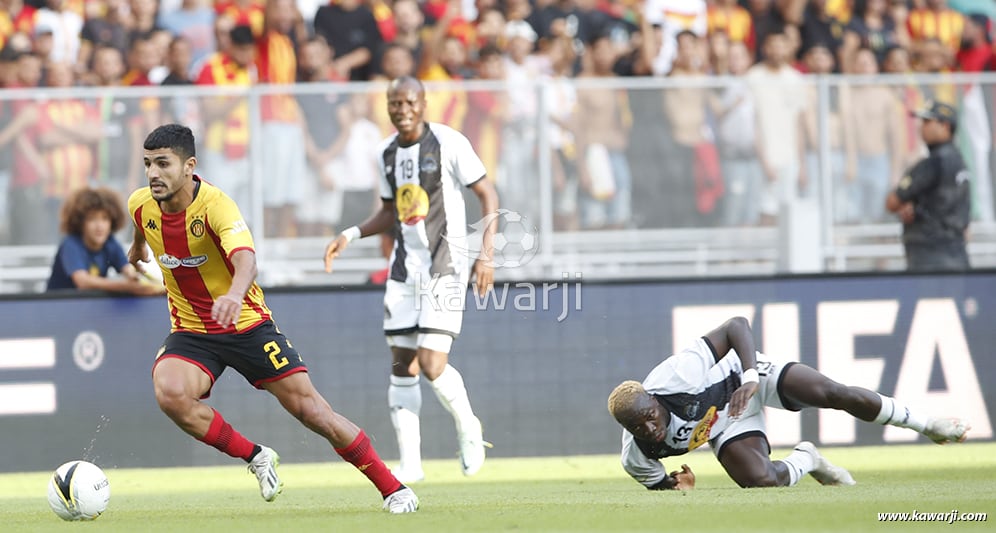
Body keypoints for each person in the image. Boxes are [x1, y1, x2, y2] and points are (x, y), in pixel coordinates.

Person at [127, 124, 418, 513]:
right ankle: (256, 456)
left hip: (245, 323)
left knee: (312, 411)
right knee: (171, 394)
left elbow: (246, 259)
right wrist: (136, 249)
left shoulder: (217, 206)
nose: (153, 173)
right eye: (147, 164)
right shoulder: (140, 203)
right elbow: (141, 226)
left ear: (189, 166)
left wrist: (233, 294)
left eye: (163, 164)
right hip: (193, 330)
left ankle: (394, 488)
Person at [323, 77, 500, 483]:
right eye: (394, 103)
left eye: (409, 102)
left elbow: (488, 194)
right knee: (403, 365)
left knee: (434, 364)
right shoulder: (386, 152)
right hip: (404, 272)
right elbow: (390, 212)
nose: (402, 109)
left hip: (446, 265)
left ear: (423, 104)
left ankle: (468, 425)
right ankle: (411, 465)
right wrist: (350, 234)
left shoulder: (449, 142)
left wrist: (486, 254)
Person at [608, 316, 971, 490]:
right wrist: (678, 488)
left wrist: (750, 377)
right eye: (637, 428)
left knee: (835, 394)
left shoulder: (677, 376)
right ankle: (808, 458)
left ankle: (927, 424)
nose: (650, 429)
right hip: (726, 421)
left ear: (654, 399)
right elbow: (662, 487)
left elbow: (736, 326)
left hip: (743, 378)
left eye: (650, 417)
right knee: (759, 480)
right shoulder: (636, 456)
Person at [885, 101, 971, 272]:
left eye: (927, 122)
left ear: (945, 126)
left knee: (931, 299)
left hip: (929, 254)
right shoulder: (960, 161)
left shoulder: (932, 164)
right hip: (957, 253)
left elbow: (892, 202)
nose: (921, 128)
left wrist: (908, 204)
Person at [46, 186, 164, 295]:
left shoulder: (111, 243)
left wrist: (142, 282)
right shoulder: (70, 244)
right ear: (80, 222)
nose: (99, 226)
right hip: (57, 309)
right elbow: (83, 282)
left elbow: (128, 271)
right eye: (92, 219)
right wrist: (128, 287)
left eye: (105, 218)